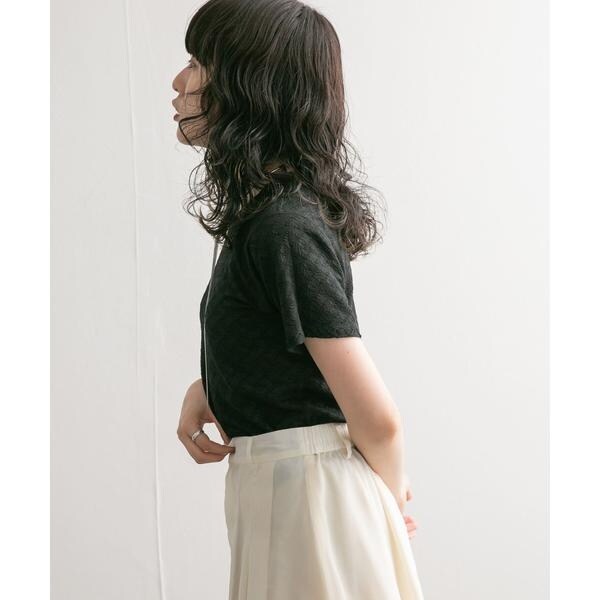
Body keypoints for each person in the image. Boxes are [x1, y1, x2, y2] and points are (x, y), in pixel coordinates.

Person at [172, 1, 425, 598]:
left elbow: (378, 418)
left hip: (314, 506)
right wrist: (212, 386)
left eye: (199, 63)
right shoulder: (268, 219)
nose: (179, 81)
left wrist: (389, 505)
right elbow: (286, 354)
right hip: (288, 497)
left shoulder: (284, 225)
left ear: (251, 85)